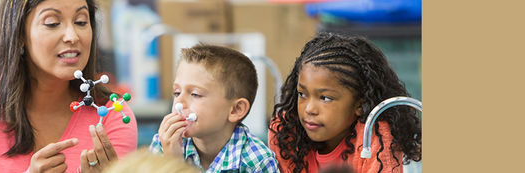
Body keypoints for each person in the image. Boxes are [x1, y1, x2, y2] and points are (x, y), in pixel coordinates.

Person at [0, 0, 138, 172]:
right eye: (52, 23)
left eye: (81, 22)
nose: (72, 36)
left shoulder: (113, 113)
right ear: (19, 34)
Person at [268, 32, 422, 173]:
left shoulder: (376, 140)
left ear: (360, 105)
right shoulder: (286, 132)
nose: (309, 109)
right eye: (302, 94)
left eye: (325, 98)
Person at [150, 44, 279, 173]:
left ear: (236, 109)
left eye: (195, 94)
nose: (179, 103)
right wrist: (170, 161)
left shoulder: (258, 162)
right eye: (177, 93)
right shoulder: (165, 144)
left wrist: (176, 168)